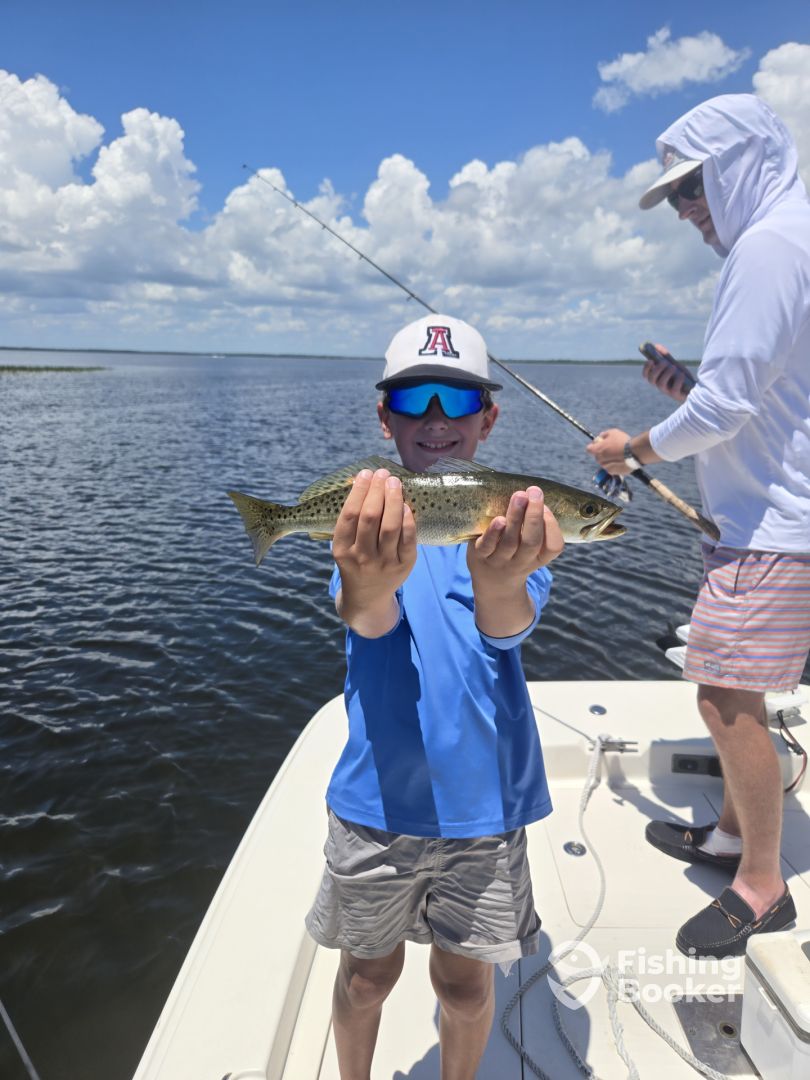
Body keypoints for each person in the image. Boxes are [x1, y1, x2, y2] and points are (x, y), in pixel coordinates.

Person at [305, 313, 564, 1079]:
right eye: (415, 399)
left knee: (465, 986)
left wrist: (500, 578)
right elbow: (367, 618)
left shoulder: (513, 525)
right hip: (375, 803)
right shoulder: (368, 525)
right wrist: (368, 581)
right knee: (365, 979)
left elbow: (507, 627)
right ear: (385, 418)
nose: (437, 419)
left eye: (459, 400)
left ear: (489, 418)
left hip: (485, 809)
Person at [587, 94, 810, 960]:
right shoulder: (788, 238)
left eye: (690, 187)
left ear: (742, 161)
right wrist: (687, 389)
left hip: (772, 530)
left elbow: (726, 411)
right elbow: (758, 398)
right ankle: (727, 837)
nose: (684, 209)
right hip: (765, 524)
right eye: (677, 194)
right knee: (734, 691)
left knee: (721, 696)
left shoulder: (768, 246)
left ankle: (761, 885)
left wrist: (631, 449)